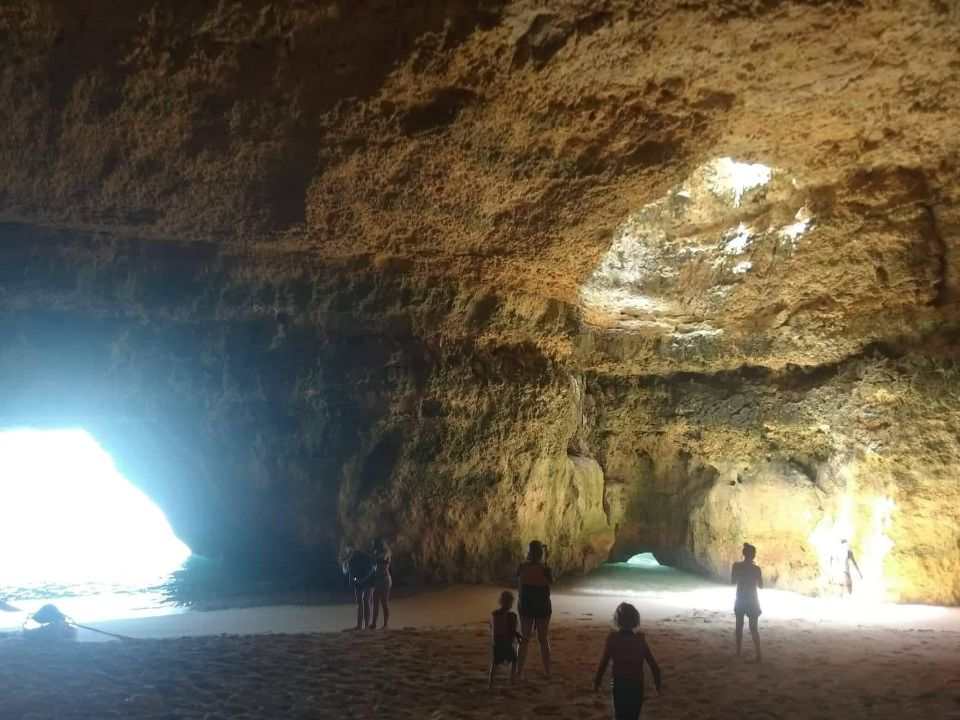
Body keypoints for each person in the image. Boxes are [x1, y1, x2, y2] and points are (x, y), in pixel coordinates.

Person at [593, 602, 662, 720]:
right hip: (637, 685)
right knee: (633, 716)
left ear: (617, 620)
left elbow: (603, 664)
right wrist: (657, 683)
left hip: (619, 684)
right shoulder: (640, 640)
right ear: (635, 620)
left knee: (620, 715)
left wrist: (597, 682)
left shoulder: (612, 639)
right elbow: (653, 664)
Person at [516, 540, 553, 679]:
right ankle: (548, 671)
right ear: (541, 553)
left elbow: (519, 583)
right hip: (542, 606)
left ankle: (519, 672)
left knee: (524, 639)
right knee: (543, 639)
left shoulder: (522, 567)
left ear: (529, 552)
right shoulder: (546, 569)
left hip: (526, 605)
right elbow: (550, 584)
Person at [731, 542, 763, 662]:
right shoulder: (756, 569)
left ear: (744, 554)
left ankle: (738, 652)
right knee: (753, 628)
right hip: (753, 600)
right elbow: (761, 586)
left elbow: (733, 582)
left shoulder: (736, 566)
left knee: (739, 626)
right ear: (753, 555)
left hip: (740, 598)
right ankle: (758, 653)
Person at [488, 590, 522, 688]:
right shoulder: (512, 616)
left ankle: (491, 682)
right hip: (507, 643)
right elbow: (513, 631)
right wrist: (519, 638)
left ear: (500, 601)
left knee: (495, 663)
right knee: (514, 661)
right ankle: (512, 679)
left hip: (497, 643)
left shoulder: (494, 614)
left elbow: (492, 628)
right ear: (511, 603)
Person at [342, 545, 375, 630]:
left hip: (368, 579)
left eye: (348, 550)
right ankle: (359, 625)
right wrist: (345, 564)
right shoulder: (348, 558)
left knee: (366, 601)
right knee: (359, 602)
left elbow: (372, 568)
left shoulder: (363, 555)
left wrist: (363, 579)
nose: (347, 552)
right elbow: (346, 571)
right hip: (358, 580)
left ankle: (366, 626)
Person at [369, 537, 392, 630]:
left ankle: (386, 624)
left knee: (384, 602)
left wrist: (373, 555)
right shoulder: (376, 553)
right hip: (378, 579)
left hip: (385, 579)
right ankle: (374, 623)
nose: (373, 546)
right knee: (375, 602)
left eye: (374, 544)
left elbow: (382, 557)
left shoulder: (387, 552)